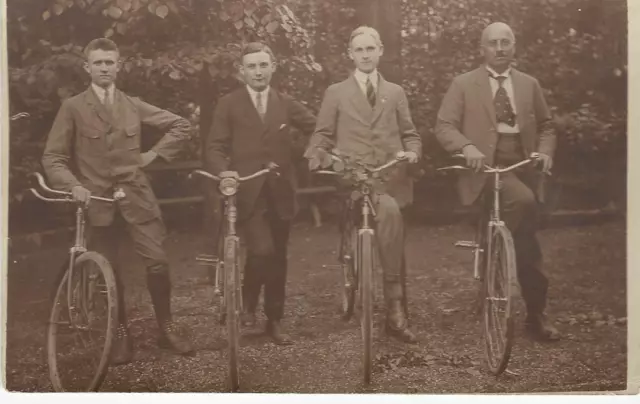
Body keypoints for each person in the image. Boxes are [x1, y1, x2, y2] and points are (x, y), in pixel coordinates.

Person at [42, 38, 194, 365]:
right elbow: (53, 158)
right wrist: (74, 185)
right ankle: (120, 335)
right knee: (110, 274)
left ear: (119, 65)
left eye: (110, 62)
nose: (105, 68)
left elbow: (181, 125)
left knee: (158, 263)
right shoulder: (73, 108)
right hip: (97, 201)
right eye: (98, 63)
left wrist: (153, 155)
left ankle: (166, 329)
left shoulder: (131, 104)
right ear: (87, 68)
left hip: (137, 197)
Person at [434, 22, 560, 341]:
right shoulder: (463, 84)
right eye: (493, 43)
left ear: (514, 46)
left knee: (528, 244)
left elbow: (547, 126)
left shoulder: (529, 84)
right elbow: (444, 126)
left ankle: (534, 313)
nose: (500, 48)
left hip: (523, 166)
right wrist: (467, 147)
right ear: (482, 49)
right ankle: (496, 269)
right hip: (485, 169)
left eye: (506, 42)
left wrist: (545, 152)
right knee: (523, 203)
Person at [305, 26, 422, 343]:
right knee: (386, 216)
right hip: (352, 176)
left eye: (371, 48)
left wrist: (411, 151)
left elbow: (409, 132)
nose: (366, 55)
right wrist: (319, 156)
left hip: (388, 176)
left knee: (392, 220)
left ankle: (395, 309)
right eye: (359, 50)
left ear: (380, 50)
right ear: (351, 54)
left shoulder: (395, 92)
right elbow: (322, 134)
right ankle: (381, 295)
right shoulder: (336, 92)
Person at [205, 42, 316, 345]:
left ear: (273, 67)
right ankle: (248, 303)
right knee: (261, 250)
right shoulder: (229, 104)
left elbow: (317, 130)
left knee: (278, 256)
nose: (257, 71)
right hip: (247, 191)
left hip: (280, 191)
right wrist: (224, 171)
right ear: (242, 72)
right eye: (251, 66)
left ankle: (274, 320)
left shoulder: (284, 102)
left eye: (262, 65)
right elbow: (214, 147)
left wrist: (303, 152)